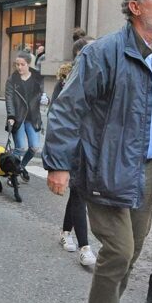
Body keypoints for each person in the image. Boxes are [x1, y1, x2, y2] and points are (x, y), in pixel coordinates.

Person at [42, 0, 152, 303]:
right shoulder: (103, 53)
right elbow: (67, 108)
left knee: (132, 251)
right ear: (135, 6)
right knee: (118, 250)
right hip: (107, 167)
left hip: (148, 170)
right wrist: (58, 163)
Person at [52, 36, 96, 266]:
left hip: (93, 147)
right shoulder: (66, 81)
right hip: (74, 147)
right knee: (80, 194)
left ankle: (65, 232)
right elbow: (57, 115)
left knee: (77, 194)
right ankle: (85, 246)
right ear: (80, 55)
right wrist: (57, 159)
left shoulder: (99, 78)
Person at [5, 51, 46, 183]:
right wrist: (11, 115)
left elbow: (42, 97)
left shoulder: (38, 78)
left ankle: (21, 167)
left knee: (34, 147)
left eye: (22, 64)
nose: (19, 67)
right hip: (18, 117)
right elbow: (9, 98)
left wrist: (46, 99)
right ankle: (12, 175)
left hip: (33, 117)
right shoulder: (12, 80)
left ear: (28, 64)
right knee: (20, 147)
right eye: (17, 64)